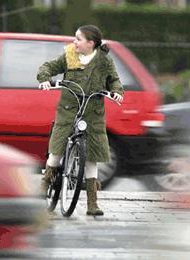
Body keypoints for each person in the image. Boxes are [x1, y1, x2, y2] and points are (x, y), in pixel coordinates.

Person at [37, 25, 123, 216]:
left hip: (93, 113)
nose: (74, 42)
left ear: (90, 43)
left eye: (78, 39)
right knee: (56, 150)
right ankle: (44, 187)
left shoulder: (104, 61)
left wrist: (116, 92)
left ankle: (92, 203)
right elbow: (48, 67)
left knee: (92, 156)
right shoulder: (69, 56)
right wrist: (45, 79)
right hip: (68, 110)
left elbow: (114, 80)